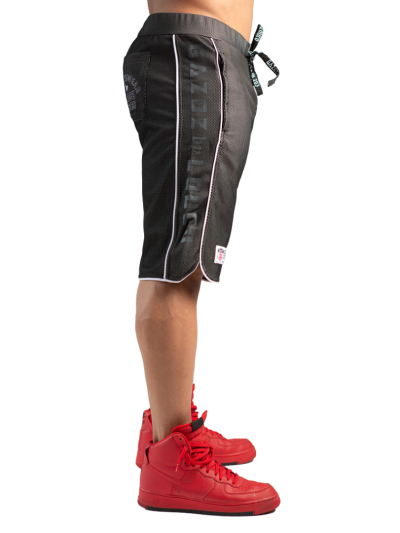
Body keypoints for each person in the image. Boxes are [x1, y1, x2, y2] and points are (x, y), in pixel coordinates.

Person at [123, 0, 280, 516]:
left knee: (183, 257)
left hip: (205, 51)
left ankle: (173, 425)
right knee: (178, 264)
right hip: (195, 53)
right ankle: (172, 461)